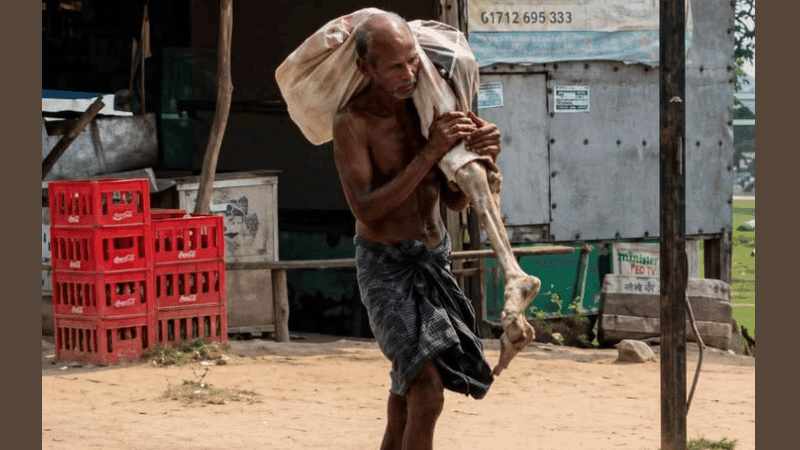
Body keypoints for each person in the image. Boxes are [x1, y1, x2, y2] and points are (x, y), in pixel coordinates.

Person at [331, 12, 539, 450]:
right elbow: (365, 208)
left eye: (413, 61)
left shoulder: (427, 106)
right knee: (427, 392)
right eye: (395, 67)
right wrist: (431, 151)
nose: (409, 75)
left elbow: (454, 201)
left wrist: (482, 157)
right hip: (387, 267)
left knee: (408, 389)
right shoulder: (352, 121)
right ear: (366, 68)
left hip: (435, 259)